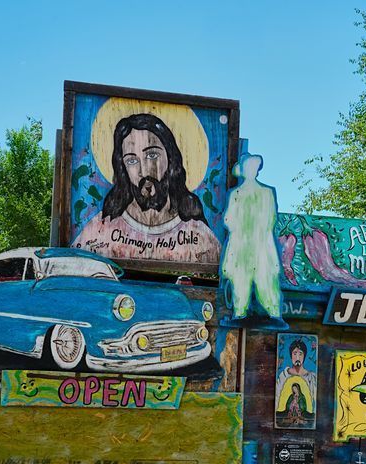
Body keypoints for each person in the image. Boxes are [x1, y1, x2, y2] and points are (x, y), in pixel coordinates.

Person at [75, 113, 220, 265]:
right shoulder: (102, 228)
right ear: (122, 168)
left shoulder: (197, 233)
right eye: (131, 160)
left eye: (152, 155)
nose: (143, 171)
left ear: (170, 157)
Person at [221, 154, 282, 318]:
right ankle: (256, 313)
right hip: (248, 247)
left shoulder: (255, 194)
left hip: (254, 248)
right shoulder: (240, 194)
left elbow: (229, 221)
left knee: (263, 286)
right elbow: (230, 221)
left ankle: (268, 313)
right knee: (248, 288)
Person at [275, 338, 316, 411]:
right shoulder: (284, 375)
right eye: (295, 353)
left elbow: (313, 402)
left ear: (304, 356)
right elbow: (277, 397)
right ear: (291, 356)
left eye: (300, 354)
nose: (297, 357)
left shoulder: (311, 377)